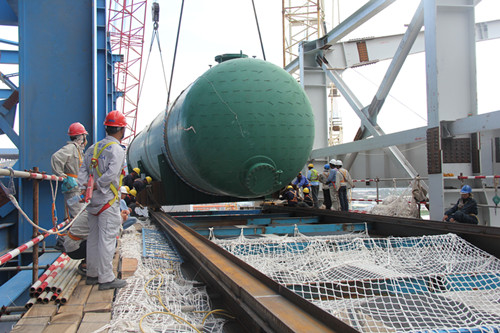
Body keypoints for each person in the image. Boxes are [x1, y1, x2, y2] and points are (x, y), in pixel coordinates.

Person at [78, 110, 128, 290]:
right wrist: (100, 184)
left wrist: (88, 186)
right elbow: (112, 173)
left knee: (93, 237)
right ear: (121, 130)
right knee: (107, 238)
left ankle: (92, 274)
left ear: (107, 128)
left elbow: (82, 173)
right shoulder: (117, 150)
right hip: (108, 200)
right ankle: (106, 278)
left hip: (93, 201)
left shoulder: (93, 148)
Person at [51, 122, 88, 218]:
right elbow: (56, 158)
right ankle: (77, 232)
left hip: (77, 188)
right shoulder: (71, 148)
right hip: (73, 190)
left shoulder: (78, 150)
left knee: (78, 216)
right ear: (81, 137)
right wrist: (61, 175)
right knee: (79, 217)